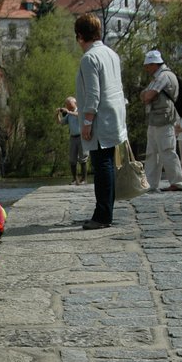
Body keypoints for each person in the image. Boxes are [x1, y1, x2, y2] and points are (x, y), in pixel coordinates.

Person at [74, 12, 128, 230]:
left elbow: (93, 94)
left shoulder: (89, 58)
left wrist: (86, 123)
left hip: (100, 119)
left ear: (80, 36)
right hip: (114, 116)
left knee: (102, 165)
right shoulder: (111, 54)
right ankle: (105, 211)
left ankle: (103, 214)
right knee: (107, 165)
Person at [140, 49, 182, 192]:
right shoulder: (159, 76)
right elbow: (145, 95)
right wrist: (146, 95)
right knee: (152, 153)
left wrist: (146, 95)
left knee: (167, 151)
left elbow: (147, 96)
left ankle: (178, 182)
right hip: (156, 120)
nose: (146, 69)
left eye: (148, 65)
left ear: (154, 64)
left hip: (164, 120)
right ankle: (150, 184)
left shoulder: (164, 76)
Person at [56, 97, 88, 185]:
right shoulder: (68, 114)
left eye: (70, 104)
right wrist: (57, 114)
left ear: (75, 103)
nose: (68, 106)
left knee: (83, 158)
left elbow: (80, 116)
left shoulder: (80, 110)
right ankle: (74, 179)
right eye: (67, 105)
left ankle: (84, 179)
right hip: (73, 138)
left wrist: (69, 112)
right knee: (72, 159)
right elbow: (60, 123)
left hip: (82, 137)